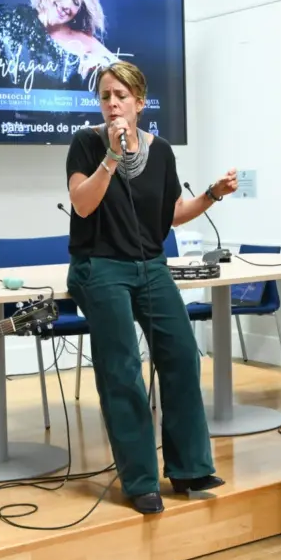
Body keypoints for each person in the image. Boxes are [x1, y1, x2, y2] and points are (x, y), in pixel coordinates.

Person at [65, 61, 237, 514]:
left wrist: (213, 194)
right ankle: (140, 478)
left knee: (182, 354)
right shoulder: (85, 144)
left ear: (140, 102)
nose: (112, 103)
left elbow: (172, 213)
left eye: (121, 95)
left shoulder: (160, 152)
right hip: (98, 266)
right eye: (105, 96)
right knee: (121, 366)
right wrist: (112, 157)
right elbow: (83, 205)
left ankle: (189, 468)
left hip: (150, 264)